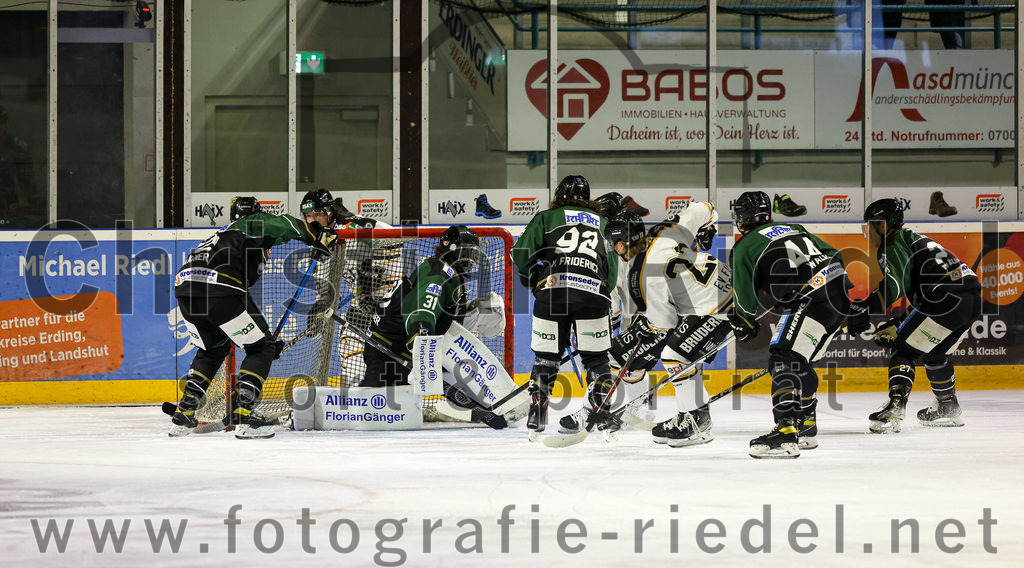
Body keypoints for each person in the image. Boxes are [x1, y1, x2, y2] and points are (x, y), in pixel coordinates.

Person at [169, 196, 337, 439]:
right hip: (218, 289)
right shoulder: (251, 223)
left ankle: (183, 415)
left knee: (212, 349)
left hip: (186, 289)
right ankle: (244, 414)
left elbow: (239, 302)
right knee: (261, 349)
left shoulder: (224, 237)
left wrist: (264, 338)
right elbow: (285, 224)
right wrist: (314, 233)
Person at [565, 204, 731, 447]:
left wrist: (645, 327)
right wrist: (708, 228)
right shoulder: (667, 231)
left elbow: (665, 324)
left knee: (676, 355)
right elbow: (704, 207)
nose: (612, 249)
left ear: (621, 244)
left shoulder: (641, 276)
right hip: (728, 293)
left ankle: (697, 421)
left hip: (719, 309)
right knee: (659, 352)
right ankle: (689, 415)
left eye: (613, 244)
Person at [729, 191, 852, 458]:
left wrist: (744, 320)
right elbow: (834, 254)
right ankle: (806, 425)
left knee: (782, 359)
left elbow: (746, 302)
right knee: (800, 360)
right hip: (839, 292)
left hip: (810, 298)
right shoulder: (792, 227)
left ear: (743, 218)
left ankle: (785, 430)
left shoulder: (745, 245)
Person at [847, 198, 980, 432]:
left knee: (903, 350)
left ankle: (895, 408)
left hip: (944, 298)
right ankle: (947, 406)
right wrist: (899, 322)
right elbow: (927, 296)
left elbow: (892, 286)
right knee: (935, 353)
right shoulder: (915, 240)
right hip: (969, 300)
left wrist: (862, 310)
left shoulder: (893, 243)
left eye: (870, 225)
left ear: (884, 226)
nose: (868, 232)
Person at [511, 175, 618, 440]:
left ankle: (537, 418)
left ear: (559, 195)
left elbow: (521, 254)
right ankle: (602, 417)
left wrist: (532, 281)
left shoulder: (546, 218)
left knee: (546, 358)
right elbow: (612, 274)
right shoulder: (604, 224)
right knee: (597, 360)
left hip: (553, 294)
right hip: (594, 296)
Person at [360, 224, 478, 387]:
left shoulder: (446, 272)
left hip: (395, 348)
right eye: (470, 252)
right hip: (388, 349)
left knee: (398, 406)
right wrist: (421, 339)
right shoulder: (440, 272)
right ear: (456, 250)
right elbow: (421, 309)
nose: (472, 258)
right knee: (377, 403)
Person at [300, 187, 392, 230]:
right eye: (308, 215)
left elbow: (389, 231)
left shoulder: (348, 226)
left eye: (317, 214)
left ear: (330, 213)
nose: (312, 220)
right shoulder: (312, 232)